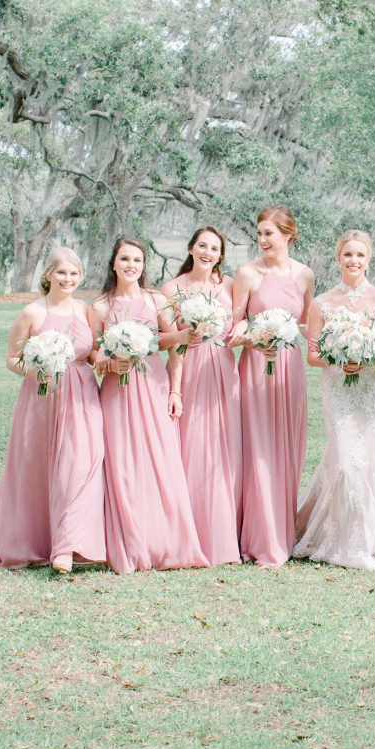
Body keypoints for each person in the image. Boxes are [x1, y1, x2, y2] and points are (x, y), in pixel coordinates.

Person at [90, 238, 207, 573]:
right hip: (117, 390)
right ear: (113, 264)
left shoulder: (156, 300)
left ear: (144, 266)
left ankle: (166, 543)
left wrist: (175, 391)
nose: (131, 265)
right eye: (124, 259)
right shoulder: (100, 306)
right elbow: (92, 354)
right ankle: (129, 544)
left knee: (161, 460)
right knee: (122, 463)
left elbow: (172, 344)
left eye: (137, 260)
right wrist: (111, 362)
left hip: (154, 385)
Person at [0, 247, 105, 573]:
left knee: (84, 463)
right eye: (62, 272)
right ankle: (41, 543)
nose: (68, 279)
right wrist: (40, 370)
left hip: (83, 396)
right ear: (48, 275)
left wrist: (111, 359)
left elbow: (92, 352)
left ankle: (69, 547)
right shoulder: (32, 313)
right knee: (39, 468)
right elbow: (12, 359)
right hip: (43, 398)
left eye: (74, 273)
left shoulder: (84, 309)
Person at [294, 230, 375, 570]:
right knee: (343, 462)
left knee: (369, 463)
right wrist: (339, 360)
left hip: (374, 391)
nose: (354, 261)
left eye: (360, 255)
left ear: (369, 259)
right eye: (348, 255)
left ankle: (368, 541)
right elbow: (312, 355)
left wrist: (367, 360)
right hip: (338, 389)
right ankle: (343, 542)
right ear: (338, 258)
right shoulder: (322, 302)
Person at [230, 205, 314, 567]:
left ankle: (284, 533)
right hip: (255, 369)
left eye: (269, 233)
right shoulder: (248, 273)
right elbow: (233, 330)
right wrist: (254, 338)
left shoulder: (306, 274)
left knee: (288, 448)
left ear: (288, 235)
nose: (263, 240)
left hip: (291, 368)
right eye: (260, 233)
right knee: (259, 449)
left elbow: (308, 325)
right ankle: (260, 539)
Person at [161, 226, 241, 567]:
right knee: (192, 447)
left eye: (215, 248)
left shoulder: (230, 286)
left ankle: (226, 533)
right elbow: (172, 343)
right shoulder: (171, 289)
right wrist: (175, 389)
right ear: (191, 249)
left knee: (226, 449)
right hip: (190, 369)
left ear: (221, 255)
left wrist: (244, 328)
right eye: (202, 245)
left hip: (224, 369)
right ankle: (191, 534)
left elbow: (243, 321)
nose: (208, 252)